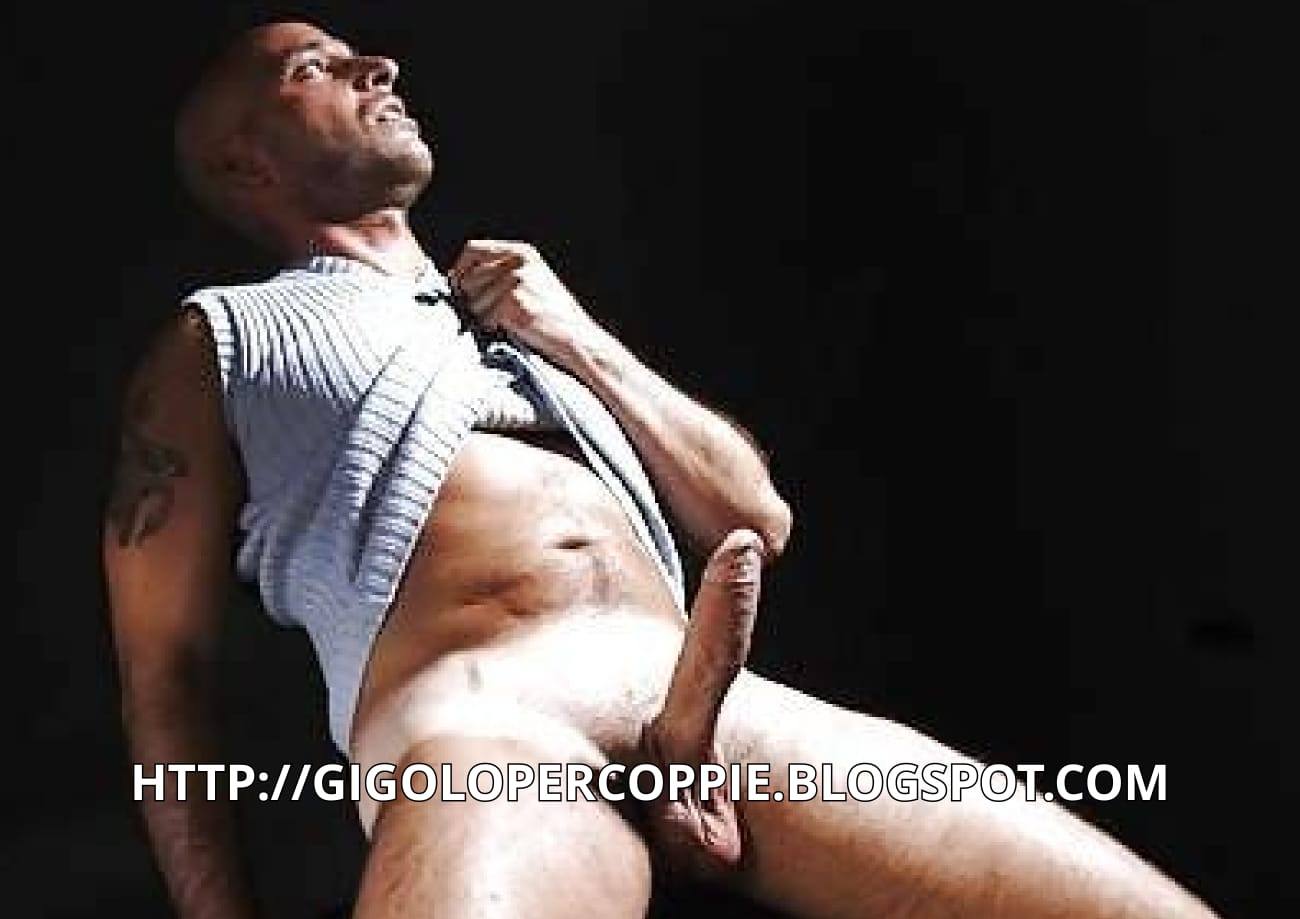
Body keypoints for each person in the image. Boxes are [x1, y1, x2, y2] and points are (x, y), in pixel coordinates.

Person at [102, 20, 1220, 919]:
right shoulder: (220, 340)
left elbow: (754, 515)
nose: (376, 66)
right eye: (314, 66)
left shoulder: (522, 312)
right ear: (244, 159)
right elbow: (165, 673)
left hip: (704, 704)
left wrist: (570, 331)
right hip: (486, 716)